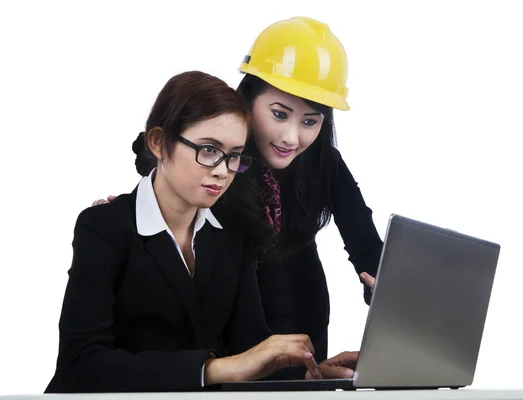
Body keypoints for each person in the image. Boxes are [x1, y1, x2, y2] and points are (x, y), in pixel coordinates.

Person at [92, 16, 382, 380]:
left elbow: (367, 247)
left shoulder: (323, 163)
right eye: (279, 114)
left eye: (310, 121)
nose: (292, 137)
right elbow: (168, 174)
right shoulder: (217, 162)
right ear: (248, 99)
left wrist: (390, 289)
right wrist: (126, 215)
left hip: (301, 312)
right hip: (231, 330)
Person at [45, 70, 336, 393]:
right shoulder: (103, 227)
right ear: (158, 142)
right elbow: (80, 364)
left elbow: (251, 351)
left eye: (234, 156)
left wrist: (313, 372)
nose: (223, 171)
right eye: (209, 150)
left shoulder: (231, 237)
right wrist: (214, 368)